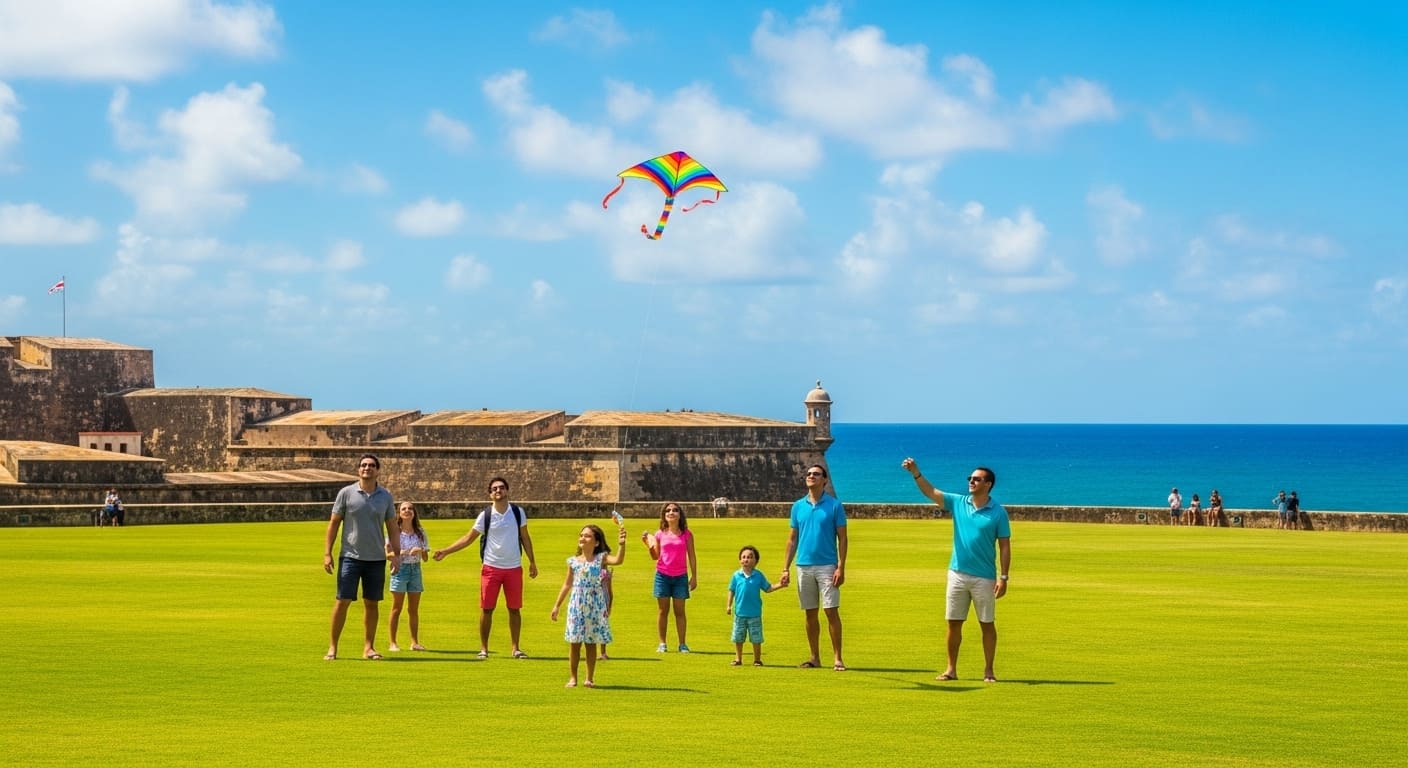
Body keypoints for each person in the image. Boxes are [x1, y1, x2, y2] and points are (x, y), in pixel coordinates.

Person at [902, 458, 1012, 684]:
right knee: (953, 622)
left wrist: (1003, 577)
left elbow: (1004, 545)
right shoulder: (959, 502)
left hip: (984, 577)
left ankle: (989, 670)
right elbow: (931, 492)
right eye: (970, 478)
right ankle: (951, 669)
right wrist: (916, 472)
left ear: (988, 484)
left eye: (977, 479)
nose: (971, 481)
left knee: (987, 623)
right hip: (957, 574)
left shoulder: (998, 512)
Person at [433, 477, 539, 659]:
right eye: (494, 489)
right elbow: (468, 538)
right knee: (487, 609)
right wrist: (446, 551)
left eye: (501, 488)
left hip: (513, 567)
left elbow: (525, 537)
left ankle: (516, 648)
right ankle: (484, 648)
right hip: (491, 567)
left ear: (507, 490)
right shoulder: (486, 515)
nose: (498, 491)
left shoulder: (517, 512)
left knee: (514, 609)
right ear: (490, 493)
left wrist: (532, 561)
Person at [323, 453, 399, 661]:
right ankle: (333, 647)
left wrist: (396, 555)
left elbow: (392, 527)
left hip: (376, 559)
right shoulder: (346, 493)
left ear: (378, 470)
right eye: (364, 465)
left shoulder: (385, 496)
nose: (367, 468)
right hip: (350, 556)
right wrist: (327, 553)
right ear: (359, 469)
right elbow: (334, 524)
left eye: (372, 465)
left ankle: (369, 647)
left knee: (372, 603)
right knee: (342, 601)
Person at [779, 463, 848, 671]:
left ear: (824, 480)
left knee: (830, 611)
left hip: (827, 565)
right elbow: (792, 540)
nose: (811, 476)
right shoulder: (798, 506)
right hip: (803, 566)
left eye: (816, 474)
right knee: (810, 613)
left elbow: (843, 538)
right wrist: (785, 568)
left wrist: (841, 567)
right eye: (809, 474)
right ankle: (815, 657)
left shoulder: (834, 505)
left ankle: (837, 658)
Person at [551, 523, 627, 688]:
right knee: (574, 643)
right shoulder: (573, 561)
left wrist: (622, 544)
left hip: (594, 605)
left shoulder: (601, 559)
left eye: (587, 536)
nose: (582, 538)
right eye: (581, 535)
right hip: (577, 604)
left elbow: (618, 560)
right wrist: (557, 605)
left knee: (591, 643)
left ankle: (589, 678)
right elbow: (567, 584)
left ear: (596, 542)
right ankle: (573, 678)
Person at [642, 502, 698, 653]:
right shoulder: (660, 534)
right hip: (662, 575)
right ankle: (662, 643)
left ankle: (682, 643)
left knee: (680, 611)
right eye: (668, 510)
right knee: (662, 611)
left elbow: (692, 556)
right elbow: (655, 556)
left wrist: (694, 576)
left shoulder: (687, 534)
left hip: (680, 576)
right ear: (664, 515)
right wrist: (648, 546)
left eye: (675, 510)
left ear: (680, 514)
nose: (671, 512)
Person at [727, 545, 782, 666]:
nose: (746, 559)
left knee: (756, 638)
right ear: (740, 560)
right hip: (739, 613)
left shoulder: (758, 576)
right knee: (738, 637)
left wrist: (781, 585)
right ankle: (738, 658)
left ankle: (757, 659)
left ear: (756, 561)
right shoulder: (736, 576)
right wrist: (729, 605)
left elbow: (768, 588)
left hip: (754, 613)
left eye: (750, 557)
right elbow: (731, 590)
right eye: (744, 557)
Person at [387, 501, 429, 652]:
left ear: (414, 513)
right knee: (396, 608)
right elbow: (387, 554)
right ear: (399, 513)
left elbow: (425, 558)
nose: (407, 511)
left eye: (410, 508)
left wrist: (420, 550)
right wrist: (400, 553)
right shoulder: (394, 532)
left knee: (413, 609)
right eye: (404, 509)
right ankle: (392, 642)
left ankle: (414, 642)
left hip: (415, 570)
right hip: (400, 570)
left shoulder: (420, 533)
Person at [597, 566, 614, 660]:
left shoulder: (607, 572)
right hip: (593, 600)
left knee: (603, 625)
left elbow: (610, 590)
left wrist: (610, 605)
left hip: (604, 601)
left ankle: (603, 653)